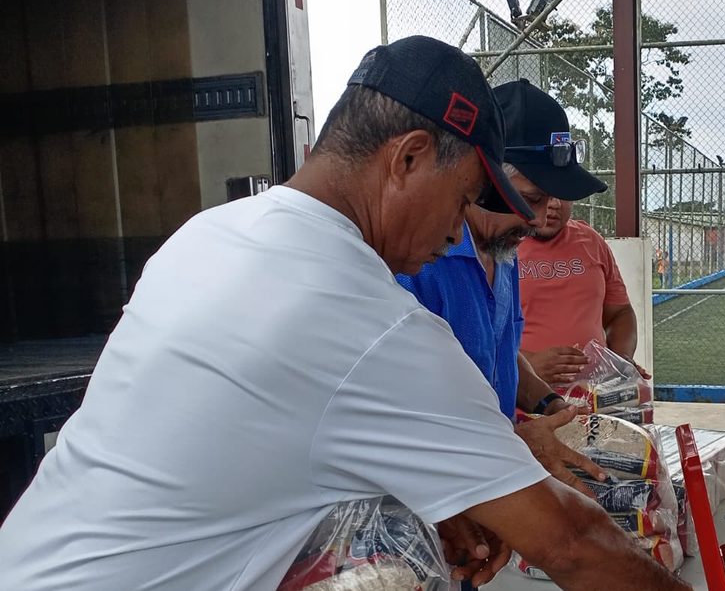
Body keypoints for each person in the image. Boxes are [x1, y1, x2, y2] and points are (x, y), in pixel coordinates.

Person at [0, 37, 688, 591]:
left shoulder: (207, 234)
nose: (457, 230)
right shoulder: (372, 318)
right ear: (409, 158)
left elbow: (242, 454)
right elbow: (570, 543)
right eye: (464, 196)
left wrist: (431, 497)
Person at [395, 78, 611, 494]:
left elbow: (503, 351)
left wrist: (553, 405)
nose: (536, 220)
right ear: (485, 177)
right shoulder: (419, 266)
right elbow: (408, 420)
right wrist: (515, 447)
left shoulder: (504, 248)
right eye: (529, 199)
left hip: (496, 474)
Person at [518, 195, 645, 385]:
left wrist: (619, 361)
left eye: (563, 194)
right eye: (542, 193)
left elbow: (620, 313)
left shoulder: (592, 241)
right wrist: (525, 365)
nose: (554, 203)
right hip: (523, 403)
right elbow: (477, 338)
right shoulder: (499, 247)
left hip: (595, 398)